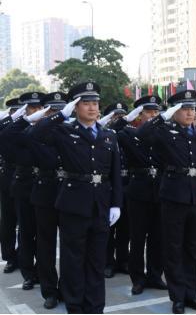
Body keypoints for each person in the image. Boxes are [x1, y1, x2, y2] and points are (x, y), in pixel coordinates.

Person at [30, 82, 122, 313]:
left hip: (100, 204)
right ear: (75, 107)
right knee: (73, 259)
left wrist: (116, 204)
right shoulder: (64, 131)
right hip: (73, 204)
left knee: (96, 260)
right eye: (85, 103)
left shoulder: (108, 135)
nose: (92, 108)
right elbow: (35, 134)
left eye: (95, 103)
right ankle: (75, 304)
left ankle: (95, 306)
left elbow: (114, 174)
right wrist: (61, 114)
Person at [136, 89, 196, 314]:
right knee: (173, 248)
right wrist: (162, 116)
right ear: (175, 111)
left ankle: (192, 295)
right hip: (173, 197)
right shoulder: (165, 133)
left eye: (192, 109)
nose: (190, 113)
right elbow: (141, 136)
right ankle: (178, 296)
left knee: (193, 249)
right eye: (184, 109)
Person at [108, 95, 168, 295]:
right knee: (138, 237)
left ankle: (155, 275)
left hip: (160, 189)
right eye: (148, 112)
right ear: (139, 115)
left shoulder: (165, 131)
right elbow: (110, 131)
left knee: (158, 236)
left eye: (156, 111)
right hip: (138, 190)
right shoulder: (127, 133)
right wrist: (126, 118)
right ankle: (138, 278)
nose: (153, 115)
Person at [25, 92, 67, 309]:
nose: (58, 114)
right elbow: (27, 136)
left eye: (61, 110)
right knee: (46, 245)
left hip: (69, 193)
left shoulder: (71, 130)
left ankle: (68, 288)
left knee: (71, 246)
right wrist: (48, 117)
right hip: (46, 193)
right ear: (45, 111)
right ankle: (50, 290)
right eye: (52, 110)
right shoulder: (36, 132)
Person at [0, 92, 45, 291]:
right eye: (30, 108)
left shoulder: (47, 126)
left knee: (43, 232)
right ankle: (19, 264)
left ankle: (42, 270)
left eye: (38, 108)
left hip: (44, 184)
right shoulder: (15, 128)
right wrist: (18, 119)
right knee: (17, 225)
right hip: (18, 180)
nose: (35, 111)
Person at [101, 102, 131, 279]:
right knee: (108, 228)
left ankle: (123, 260)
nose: (119, 119)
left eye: (122, 116)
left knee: (125, 227)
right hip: (109, 186)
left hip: (126, 184)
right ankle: (108, 262)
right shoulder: (104, 135)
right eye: (115, 116)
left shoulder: (128, 135)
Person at [0, 98, 24, 274]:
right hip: (7, 178)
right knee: (8, 221)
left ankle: (23, 256)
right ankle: (9, 257)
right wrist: (12, 118)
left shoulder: (29, 127)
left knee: (25, 222)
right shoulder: (5, 127)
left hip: (24, 177)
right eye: (15, 112)